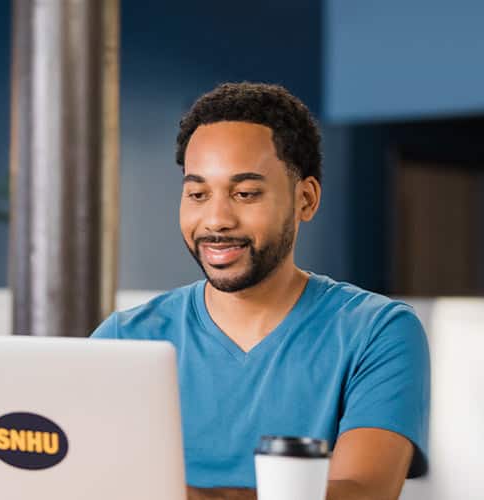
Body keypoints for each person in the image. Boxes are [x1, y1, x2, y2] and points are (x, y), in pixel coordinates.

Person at [92, 82, 429, 500]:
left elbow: (363, 491)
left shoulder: (377, 332)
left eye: (245, 193)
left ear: (305, 199)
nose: (216, 219)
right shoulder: (124, 339)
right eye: (197, 193)